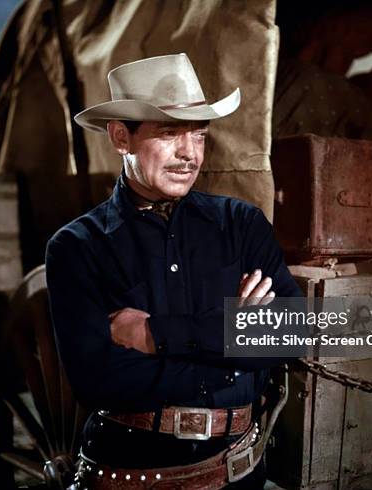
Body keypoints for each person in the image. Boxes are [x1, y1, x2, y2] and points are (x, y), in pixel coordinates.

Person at [46, 53, 303, 489]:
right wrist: (233, 342)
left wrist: (155, 336)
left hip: (239, 473)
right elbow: (98, 380)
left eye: (199, 136)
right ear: (120, 137)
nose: (189, 154)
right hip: (131, 477)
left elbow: (292, 334)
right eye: (169, 134)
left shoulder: (241, 225)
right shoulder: (76, 247)